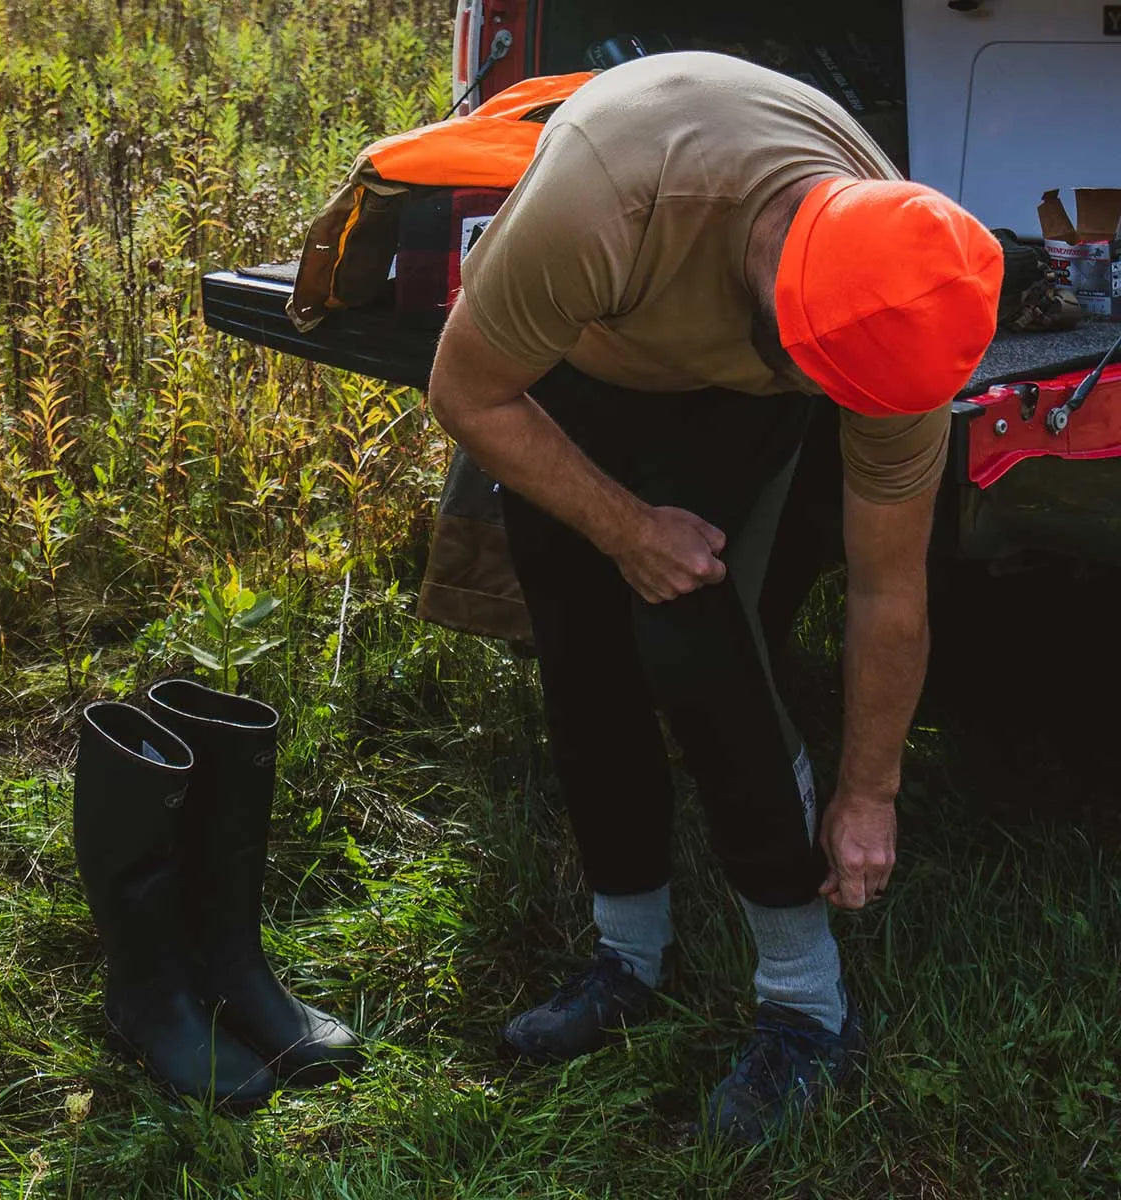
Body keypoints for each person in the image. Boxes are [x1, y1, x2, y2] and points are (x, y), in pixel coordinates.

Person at [426, 51, 1002, 1144]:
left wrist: (870, 791)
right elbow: (465, 386)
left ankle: (807, 1011)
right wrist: (623, 524)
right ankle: (625, 955)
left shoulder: (904, 314)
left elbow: (889, 584)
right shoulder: (609, 195)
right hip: (578, 365)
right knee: (583, 639)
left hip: (733, 397)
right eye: (808, 368)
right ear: (779, 273)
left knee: (695, 640)